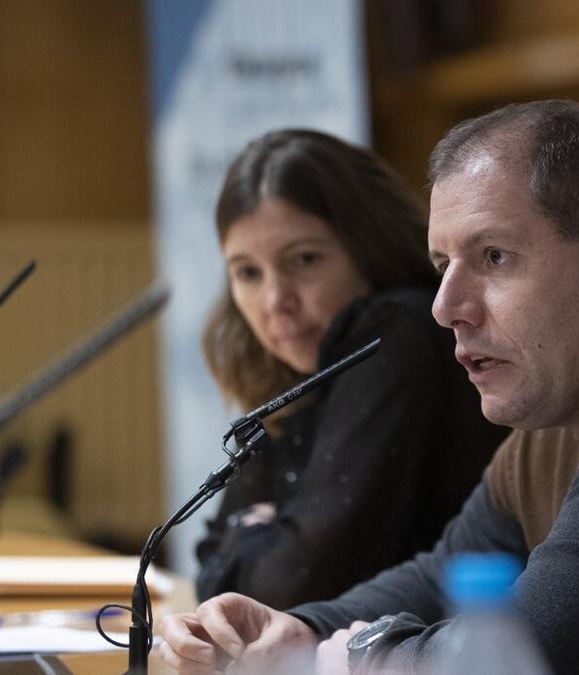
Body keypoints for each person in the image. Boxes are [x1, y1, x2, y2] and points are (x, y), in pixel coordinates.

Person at [160, 101, 579, 675]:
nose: (444, 304)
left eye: (493, 257)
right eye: (442, 264)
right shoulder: (561, 404)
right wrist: (296, 627)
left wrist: (350, 656)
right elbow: (445, 573)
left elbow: (525, 650)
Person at [194, 129, 507, 609]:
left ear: (366, 244)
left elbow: (296, 585)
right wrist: (260, 543)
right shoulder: (293, 365)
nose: (276, 301)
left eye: (304, 260)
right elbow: (210, 572)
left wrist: (250, 536)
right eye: (248, 273)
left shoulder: (395, 332)